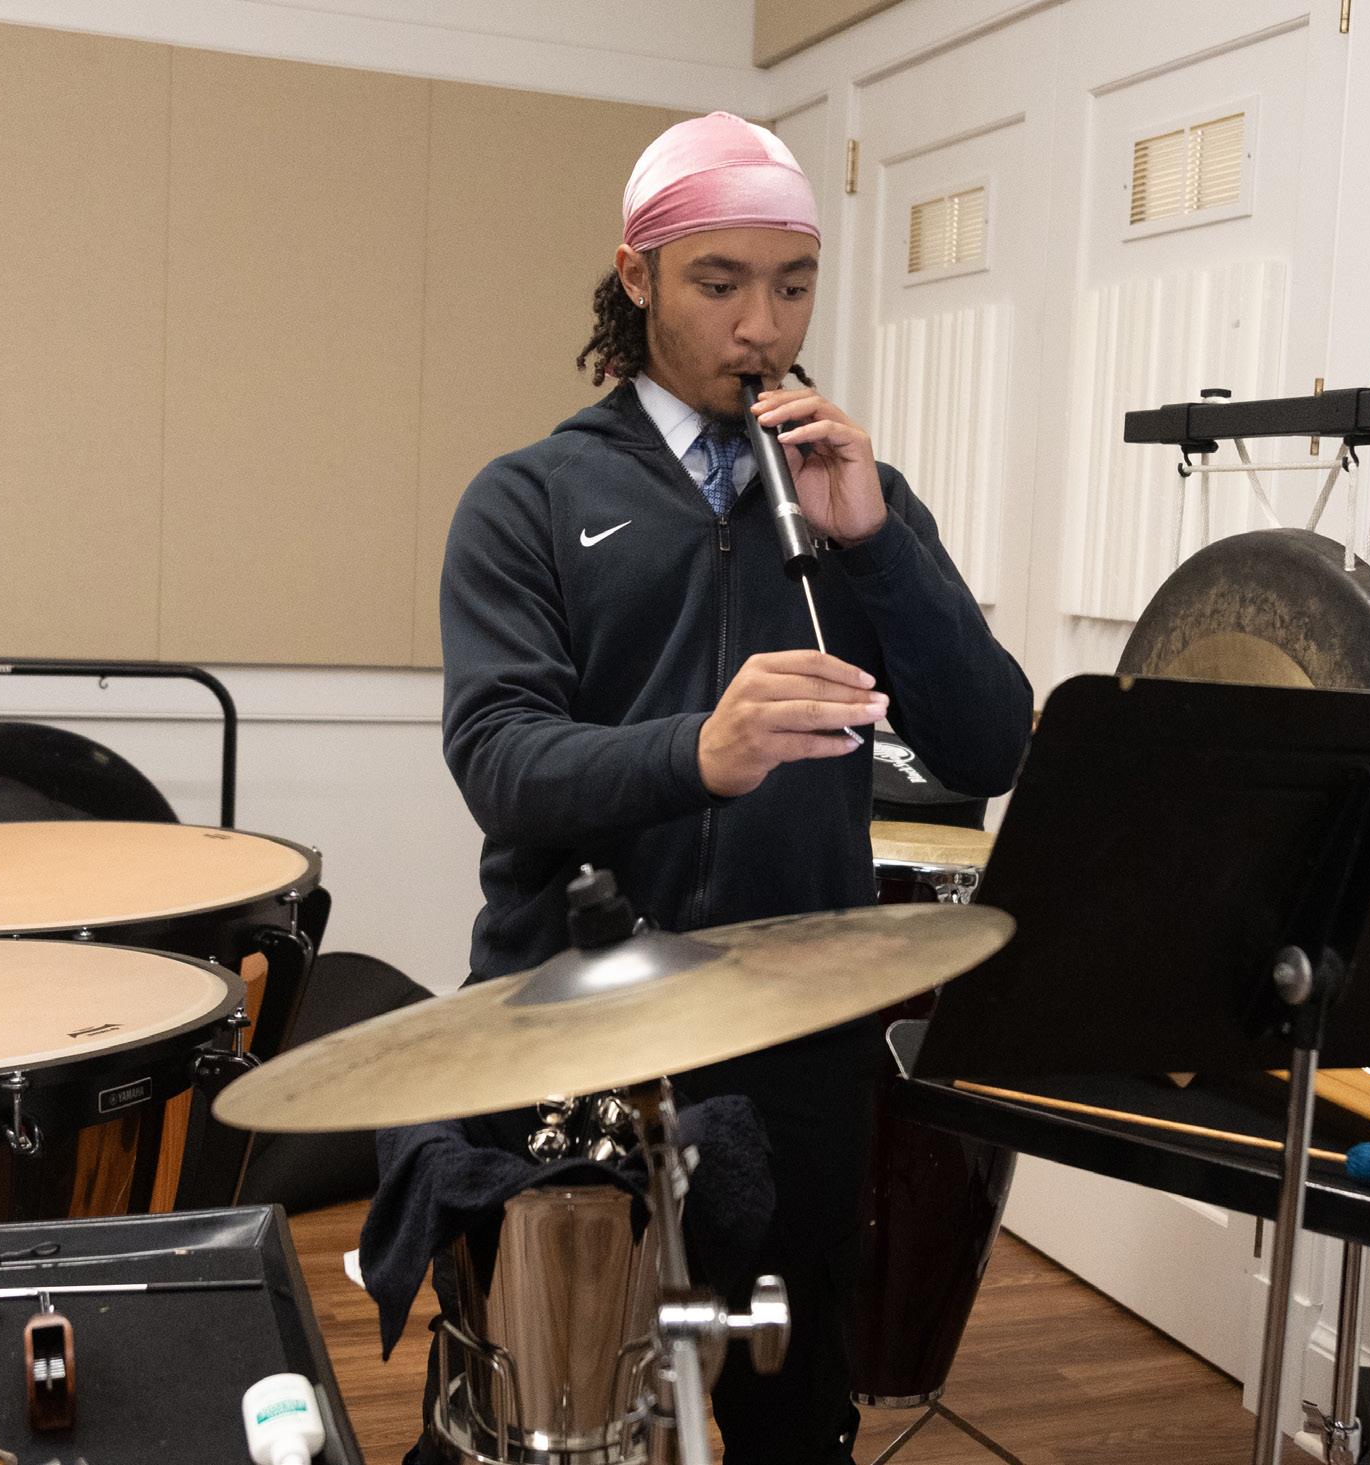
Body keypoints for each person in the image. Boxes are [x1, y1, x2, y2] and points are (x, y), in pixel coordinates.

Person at [438, 111, 1032, 1460]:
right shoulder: (528, 497)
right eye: (719, 283)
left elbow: (990, 745)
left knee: (783, 1403)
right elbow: (500, 762)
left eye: (794, 284)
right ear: (636, 276)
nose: (762, 325)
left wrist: (878, 546)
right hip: (573, 1020)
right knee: (567, 1407)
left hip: (799, 1031)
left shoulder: (854, 496)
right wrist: (699, 751)